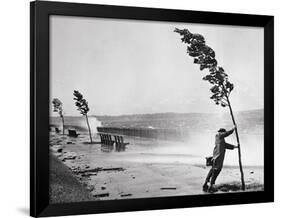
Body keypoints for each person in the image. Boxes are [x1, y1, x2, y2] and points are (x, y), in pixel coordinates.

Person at [203, 126, 238, 193]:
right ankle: (211, 185)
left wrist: (235, 147)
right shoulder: (219, 135)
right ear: (221, 132)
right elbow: (226, 134)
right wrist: (233, 129)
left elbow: (226, 145)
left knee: (213, 170)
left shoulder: (220, 139)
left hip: (217, 157)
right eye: (223, 132)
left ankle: (206, 183)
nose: (223, 134)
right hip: (218, 157)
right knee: (216, 170)